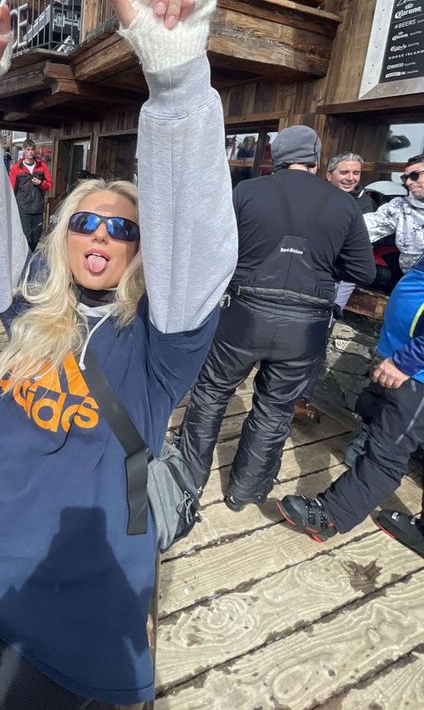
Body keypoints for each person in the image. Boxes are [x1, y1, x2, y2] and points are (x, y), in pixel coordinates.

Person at [0, 0, 237, 710]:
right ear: (62, 238)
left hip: (49, 628)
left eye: (123, 226)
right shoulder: (30, 301)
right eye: (85, 220)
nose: (100, 233)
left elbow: (193, 238)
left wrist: (177, 83)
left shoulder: (159, 346)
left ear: (140, 251)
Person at [175, 125, 376, 513]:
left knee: (212, 394)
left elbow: (214, 250)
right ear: (317, 160)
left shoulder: (247, 192)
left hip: (243, 316)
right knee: (275, 407)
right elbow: (363, 272)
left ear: (275, 156)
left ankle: (188, 480)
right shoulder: (345, 204)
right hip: (306, 327)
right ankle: (244, 493)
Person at [278, 252, 424, 556]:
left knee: (387, 453)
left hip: (416, 374)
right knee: (377, 423)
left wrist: (407, 362)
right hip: (405, 363)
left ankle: (330, 516)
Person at [294, 151, 378, 420]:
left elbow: (354, 254)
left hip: (337, 282)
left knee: (318, 335)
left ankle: (301, 398)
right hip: (305, 275)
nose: (351, 178)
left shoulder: (363, 205)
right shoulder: (315, 197)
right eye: (345, 172)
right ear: (329, 175)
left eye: (355, 173)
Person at [365, 154, 424, 273]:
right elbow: (361, 226)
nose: (408, 182)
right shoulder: (400, 207)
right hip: (414, 281)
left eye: (414, 175)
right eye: (405, 177)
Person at [9, 138, 53, 250]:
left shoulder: (42, 166)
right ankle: (25, 262)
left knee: (36, 238)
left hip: (38, 208)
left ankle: (30, 257)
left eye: (32, 150)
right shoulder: (16, 168)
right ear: (24, 150)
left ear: (35, 150)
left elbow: (50, 185)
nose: (30, 152)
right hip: (23, 209)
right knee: (26, 238)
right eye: (28, 149)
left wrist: (40, 183)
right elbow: (10, 189)